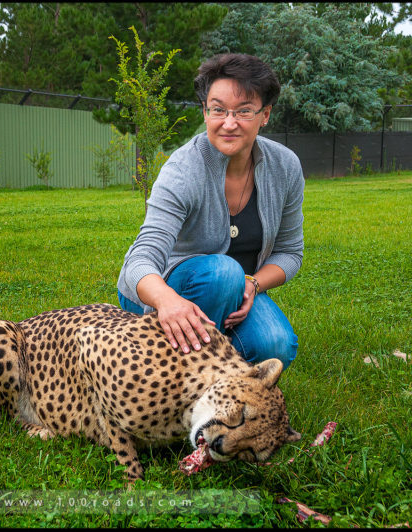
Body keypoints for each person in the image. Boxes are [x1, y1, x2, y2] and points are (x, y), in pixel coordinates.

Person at [116, 53, 304, 370]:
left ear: (265, 114)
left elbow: (290, 252)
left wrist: (253, 284)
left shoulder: (285, 167)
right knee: (223, 274)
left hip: (235, 291)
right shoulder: (183, 169)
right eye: (218, 110)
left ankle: (209, 351)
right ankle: (179, 369)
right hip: (165, 290)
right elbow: (140, 258)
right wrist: (166, 300)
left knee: (275, 346)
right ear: (205, 113)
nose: (228, 123)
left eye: (244, 111)